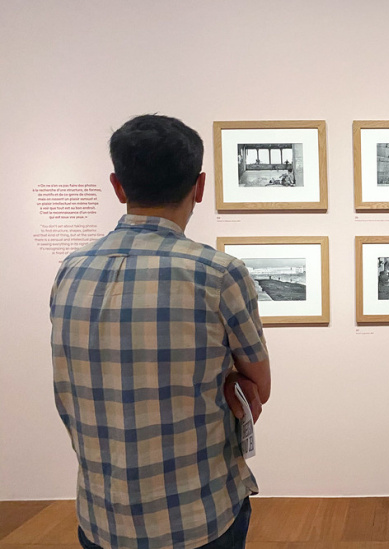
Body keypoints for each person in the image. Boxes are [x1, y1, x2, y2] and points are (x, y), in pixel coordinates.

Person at [50, 115, 271, 549]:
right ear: (200, 186)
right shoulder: (218, 273)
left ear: (118, 187)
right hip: (199, 515)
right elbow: (258, 387)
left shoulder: (70, 271)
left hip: (100, 518)